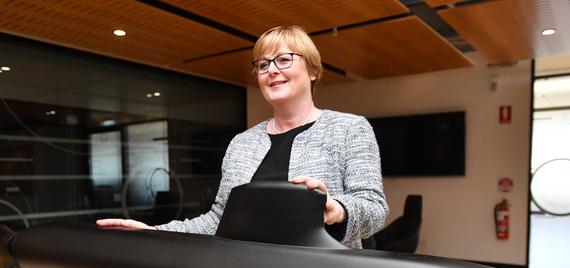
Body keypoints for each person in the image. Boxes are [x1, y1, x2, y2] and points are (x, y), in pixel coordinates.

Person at [97, 25, 388, 249]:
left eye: (283, 60)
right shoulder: (242, 143)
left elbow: (374, 209)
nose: (271, 70)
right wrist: (154, 233)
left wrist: (337, 210)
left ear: (312, 70)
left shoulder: (350, 128)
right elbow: (217, 219)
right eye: (262, 64)